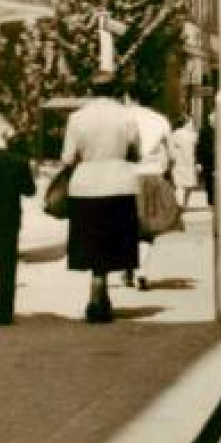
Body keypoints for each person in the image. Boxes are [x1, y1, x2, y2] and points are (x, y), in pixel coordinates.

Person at [61, 74, 141, 323]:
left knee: (91, 241)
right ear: (115, 90)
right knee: (113, 242)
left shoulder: (77, 117)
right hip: (119, 183)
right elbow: (136, 151)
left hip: (86, 185)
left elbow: (67, 158)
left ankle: (97, 293)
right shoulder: (127, 116)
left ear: (89, 89)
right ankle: (101, 296)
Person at [0, 127, 35, 328]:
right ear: (5, 139)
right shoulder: (18, 162)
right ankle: (5, 313)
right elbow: (30, 191)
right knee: (7, 264)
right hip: (9, 220)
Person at [127, 99, 177, 291]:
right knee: (148, 230)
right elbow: (172, 156)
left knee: (128, 227)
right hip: (153, 176)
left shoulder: (124, 117)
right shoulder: (161, 120)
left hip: (128, 177)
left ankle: (129, 269)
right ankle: (142, 271)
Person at [170, 116, 201, 209]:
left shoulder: (175, 134)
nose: (192, 124)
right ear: (186, 123)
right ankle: (184, 203)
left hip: (180, 161)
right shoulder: (192, 135)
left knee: (179, 184)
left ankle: (180, 203)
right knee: (188, 185)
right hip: (187, 161)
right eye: (190, 123)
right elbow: (196, 147)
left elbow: (171, 147)